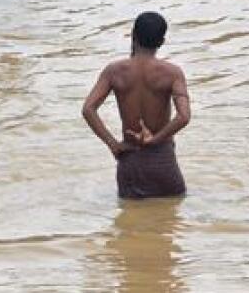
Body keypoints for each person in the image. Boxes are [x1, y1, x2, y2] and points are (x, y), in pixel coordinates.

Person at [81, 12, 192, 199]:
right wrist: (155, 140)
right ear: (162, 41)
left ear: (133, 35)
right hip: (162, 160)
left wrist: (113, 144)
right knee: (170, 220)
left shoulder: (114, 71)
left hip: (130, 162)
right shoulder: (172, 73)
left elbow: (88, 109)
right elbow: (183, 117)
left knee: (129, 222)